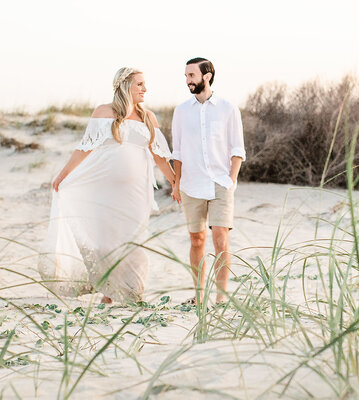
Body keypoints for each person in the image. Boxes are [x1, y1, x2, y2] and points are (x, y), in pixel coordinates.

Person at [38, 67, 176, 304]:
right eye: (140, 84)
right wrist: (62, 175)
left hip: (136, 191)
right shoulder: (103, 112)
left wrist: (175, 182)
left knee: (132, 239)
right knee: (105, 242)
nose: (145, 89)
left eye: (145, 84)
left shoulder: (148, 117)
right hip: (102, 188)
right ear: (125, 86)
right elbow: (84, 148)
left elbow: (160, 157)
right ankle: (108, 292)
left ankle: (132, 293)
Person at [171, 57, 246, 305]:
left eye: (191, 76)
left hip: (219, 184)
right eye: (185, 76)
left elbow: (237, 149)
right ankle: (198, 296)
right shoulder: (181, 111)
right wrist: (176, 183)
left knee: (220, 238)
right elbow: (178, 152)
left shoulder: (227, 108)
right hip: (191, 185)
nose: (187, 81)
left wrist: (231, 181)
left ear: (207, 76)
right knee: (197, 240)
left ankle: (221, 298)